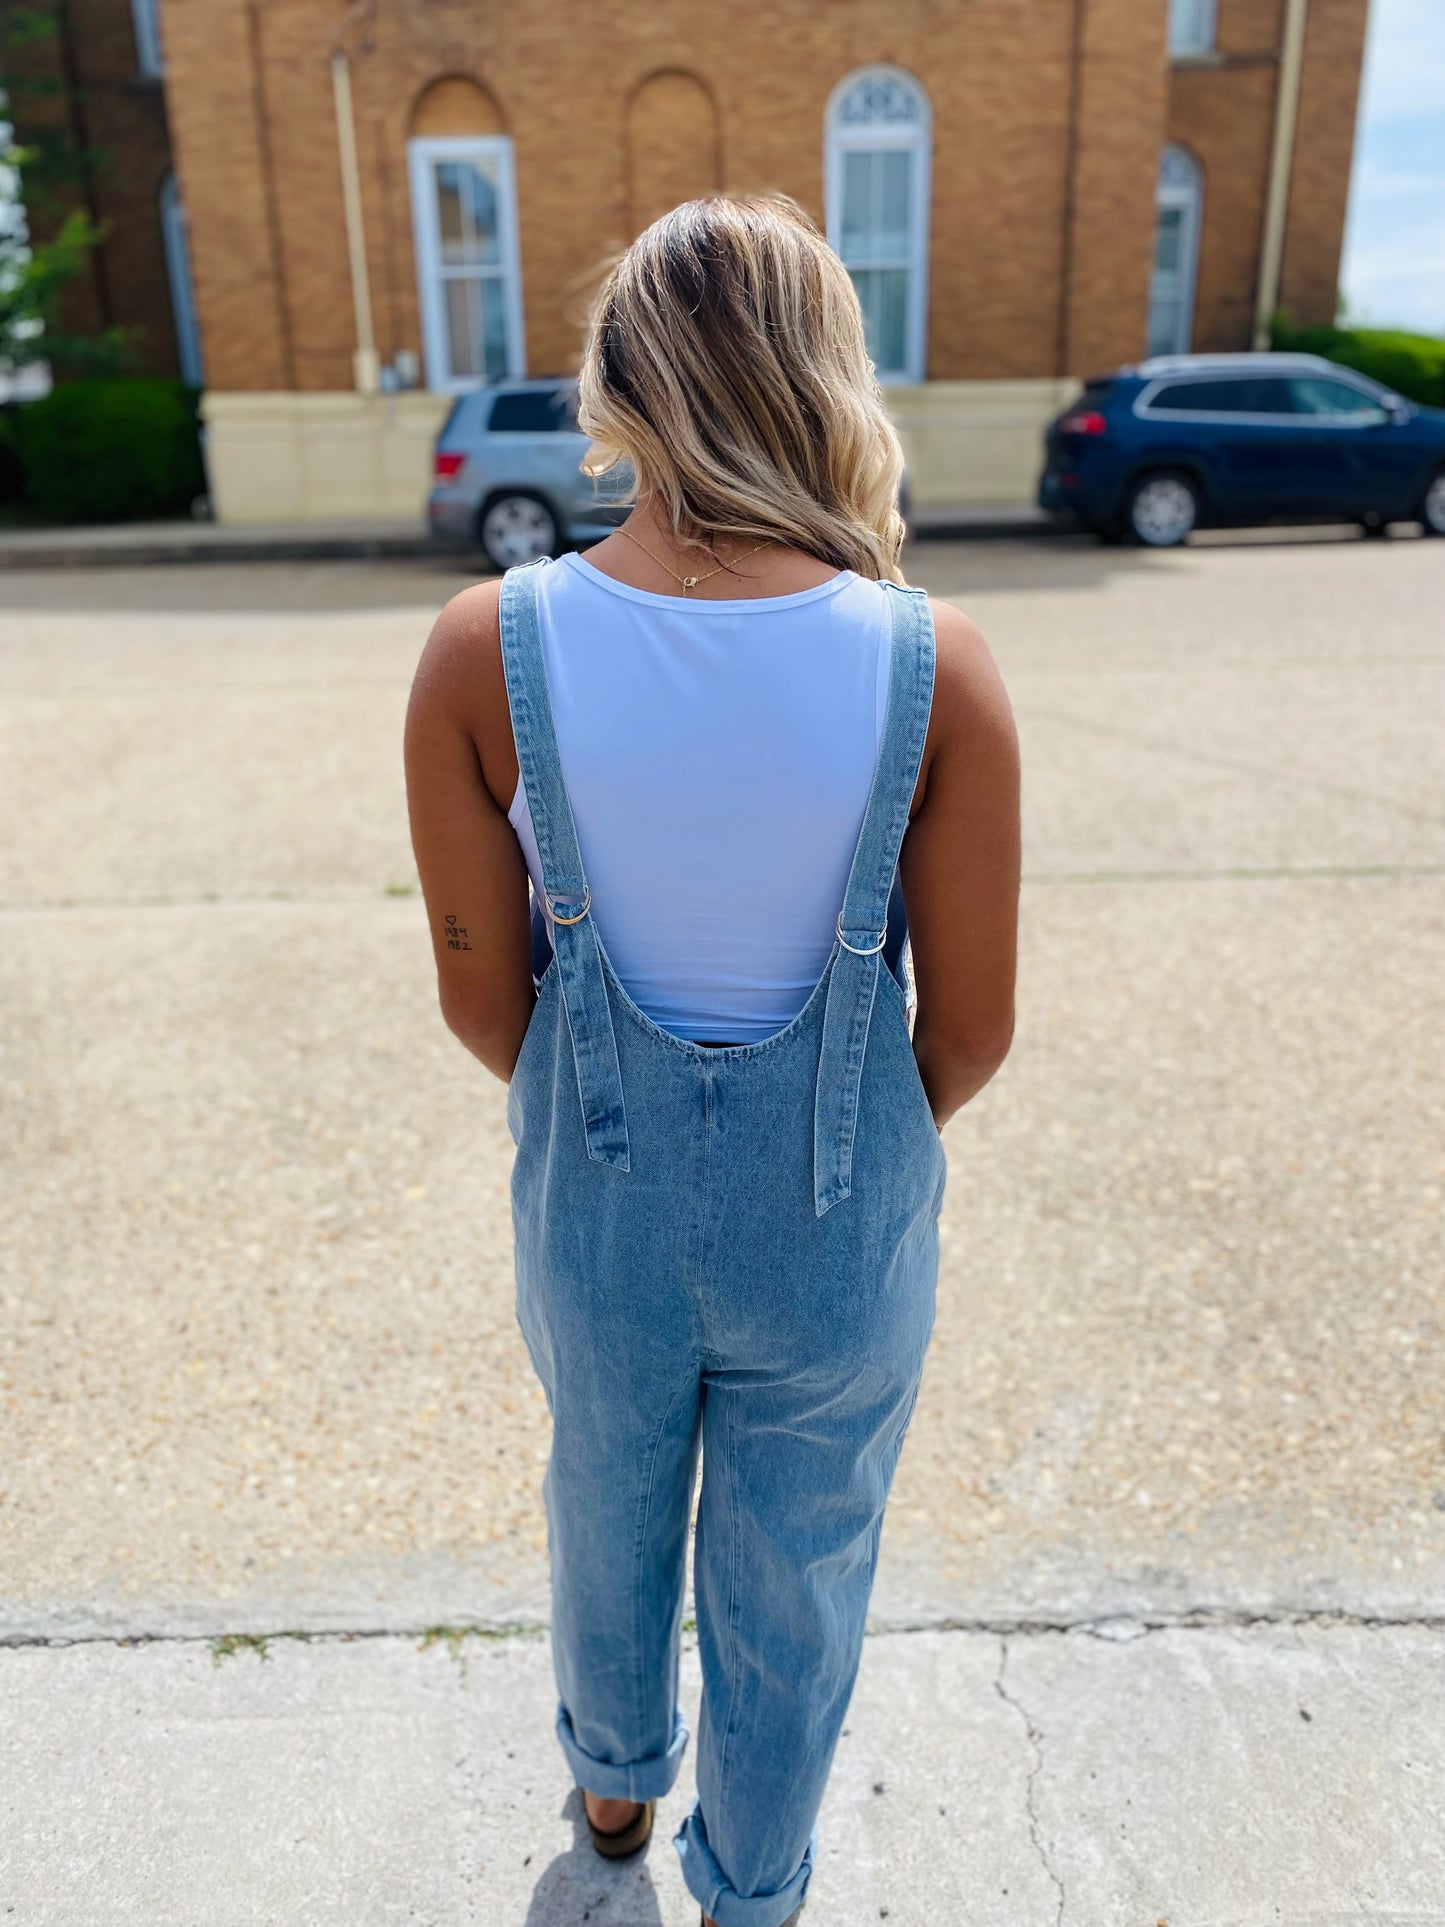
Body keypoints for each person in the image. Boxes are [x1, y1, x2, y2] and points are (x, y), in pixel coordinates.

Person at [404, 194, 1020, 1927]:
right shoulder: (930, 662)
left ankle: (611, 1791)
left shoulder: (487, 649)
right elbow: (964, 1026)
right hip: (836, 1227)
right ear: (830, 374)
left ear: (611, 394)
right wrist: (829, 1144)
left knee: (601, 1492)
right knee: (800, 1571)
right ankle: (752, 1888)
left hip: (596, 1212)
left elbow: (478, 998)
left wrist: (613, 1116)